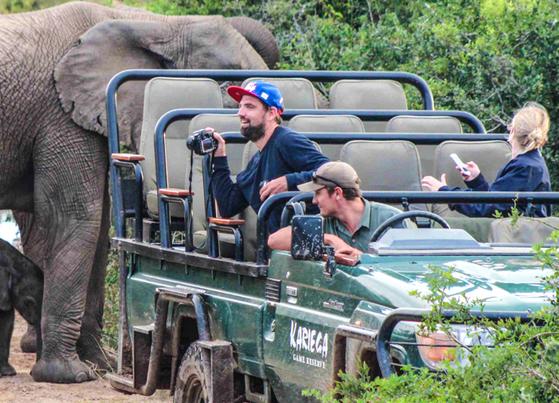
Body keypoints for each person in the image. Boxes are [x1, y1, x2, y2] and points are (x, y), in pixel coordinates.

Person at [210, 81, 329, 235]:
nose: (240, 113)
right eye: (241, 106)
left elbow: (329, 172)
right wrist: (219, 156)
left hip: (309, 242)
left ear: (271, 113)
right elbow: (227, 206)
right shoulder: (255, 163)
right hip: (276, 250)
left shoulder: (286, 140)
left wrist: (288, 181)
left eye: (249, 107)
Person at [421, 102, 551, 217]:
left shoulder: (524, 167)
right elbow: (497, 202)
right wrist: (477, 182)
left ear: (512, 131)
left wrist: (444, 192)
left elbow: (489, 209)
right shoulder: (533, 164)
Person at [267, 161, 405, 265]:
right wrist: (329, 239)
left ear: (338, 193)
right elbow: (273, 241)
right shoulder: (322, 222)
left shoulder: (392, 219)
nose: (314, 200)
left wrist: (364, 259)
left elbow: (413, 267)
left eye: (318, 193)